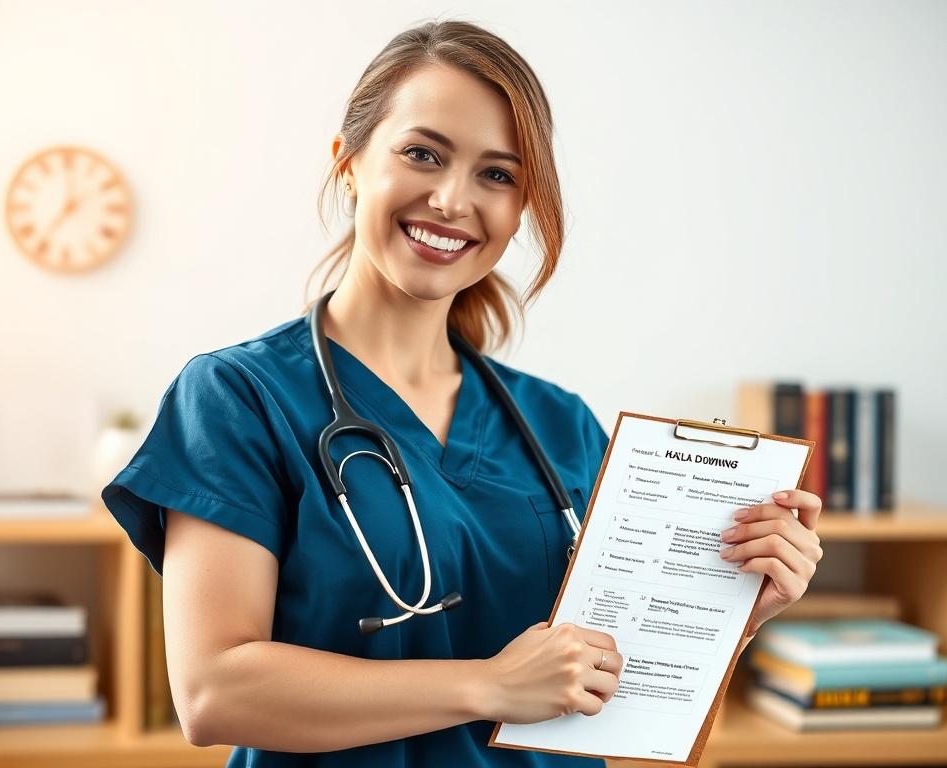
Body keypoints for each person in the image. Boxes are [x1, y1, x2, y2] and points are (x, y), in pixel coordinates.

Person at [100, 18, 824, 768]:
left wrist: (730, 613)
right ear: (348, 163)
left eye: (497, 174)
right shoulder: (238, 398)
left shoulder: (560, 425)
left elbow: (598, 692)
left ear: (519, 210)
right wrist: (487, 686)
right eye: (423, 154)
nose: (452, 199)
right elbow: (215, 693)